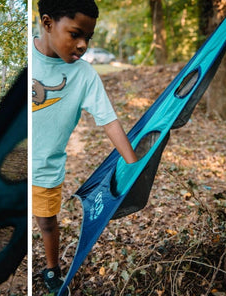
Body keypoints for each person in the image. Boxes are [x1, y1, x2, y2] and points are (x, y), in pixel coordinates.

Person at [32, 1, 138, 294]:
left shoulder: (85, 75)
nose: (82, 45)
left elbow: (109, 121)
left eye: (87, 38)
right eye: (75, 33)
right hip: (12, 164)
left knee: (47, 223)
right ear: (48, 22)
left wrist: (133, 165)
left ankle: (52, 268)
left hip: (45, 170)